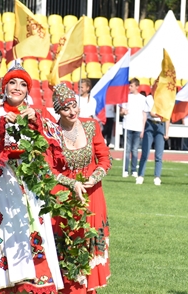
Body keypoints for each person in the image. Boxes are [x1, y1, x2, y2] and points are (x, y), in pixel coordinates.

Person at [0, 61, 64, 293]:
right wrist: (0, 123)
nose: (17, 88)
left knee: (28, 226)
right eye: (12, 83)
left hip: (28, 182)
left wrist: (36, 121)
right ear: (4, 87)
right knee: (1, 228)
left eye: (22, 84)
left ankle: (30, 281)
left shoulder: (35, 114)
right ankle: (1, 282)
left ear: (28, 90)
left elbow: (56, 136)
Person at [50, 83, 111, 293]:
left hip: (92, 195)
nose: (72, 111)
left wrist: (95, 177)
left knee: (89, 241)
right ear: (58, 110)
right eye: (66, 108)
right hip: (64, 197)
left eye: (74, 105)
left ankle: (88, 289)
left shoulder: (91, 125)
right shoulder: (52, 132)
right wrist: (71, 183)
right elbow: (49, 170)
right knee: (68, 244)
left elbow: (105, 158)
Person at [136, 83, 169, 185]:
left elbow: (167, 117)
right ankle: (140, 175)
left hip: (160, 125)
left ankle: (157, 177)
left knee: (159, 154)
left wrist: (166, 132)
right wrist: (142, 130)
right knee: (145, 152)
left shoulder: (165, 99)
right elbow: (148, 114)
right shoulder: (149, 98)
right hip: (150, 125)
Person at [120, 78, 146, 178]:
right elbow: (122, 111)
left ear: (137, 87)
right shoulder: (126, 97)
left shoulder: (142, 98)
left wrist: (142, 129)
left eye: (131, 86)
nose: (129, 87)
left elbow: (144, 114)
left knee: (135, 149)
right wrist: (123, 112)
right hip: (127, 125)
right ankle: (125, 169)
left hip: (137, 126)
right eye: (129, 85)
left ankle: (134, 169)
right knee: (127, 149)